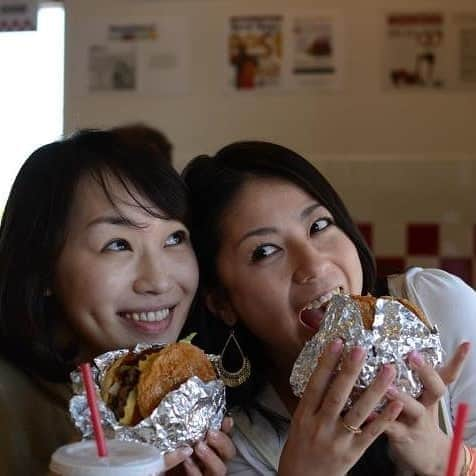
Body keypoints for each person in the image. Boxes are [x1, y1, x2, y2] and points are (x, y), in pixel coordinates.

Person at [182, 141, 476, 475]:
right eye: (265, 251)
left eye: (318, 226)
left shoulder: (437, 306)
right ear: (222, 302)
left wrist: (449, 461)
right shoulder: (228, 438)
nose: (314, 264)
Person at [0, 130, 234, 475]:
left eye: (174, 238)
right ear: (43, 267)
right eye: (117, 244)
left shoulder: (197, 393)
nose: (158, 281)